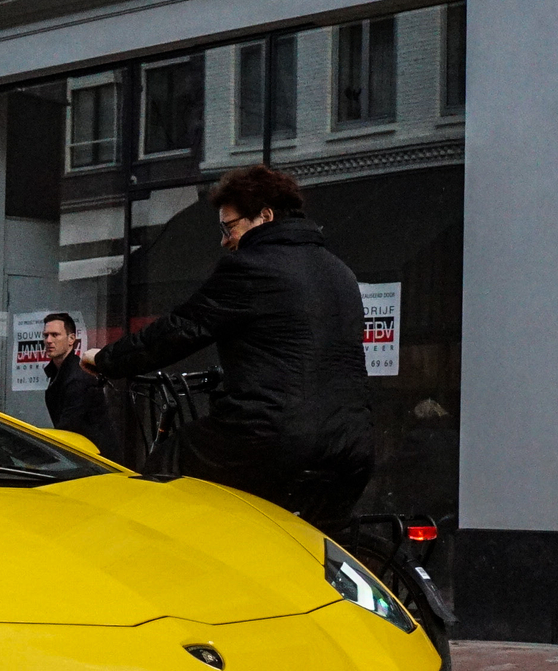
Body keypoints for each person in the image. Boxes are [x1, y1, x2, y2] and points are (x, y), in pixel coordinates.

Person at [86, 164, 372, 525]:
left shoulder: (253, 266)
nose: (224, 240)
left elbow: (181, 329)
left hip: (276, 438)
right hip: (352, 446)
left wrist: (108, 359)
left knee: (170, 461)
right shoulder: (339, 271)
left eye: (229, 226)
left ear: (264, 217)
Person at [38, 312, 124, 464]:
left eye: (55, 335)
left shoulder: (78, 377)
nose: (49, 340)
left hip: (96, 461)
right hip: (84, 456)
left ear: (71, 339)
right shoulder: (60, 373)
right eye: (46, 336)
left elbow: (68, 427)